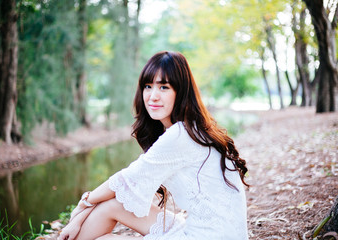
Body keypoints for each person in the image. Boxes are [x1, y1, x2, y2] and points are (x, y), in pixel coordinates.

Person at [58, 51, 249, 240]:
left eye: (164, 87)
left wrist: (83, 204)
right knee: (112, 205)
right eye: (148, 86)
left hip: (210, 236)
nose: (153, 96)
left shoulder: (180, 135)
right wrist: (81, 213)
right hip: (211, 230)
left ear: (180, 92)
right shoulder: (191, 129)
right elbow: (124, 186)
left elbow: (125, 180)